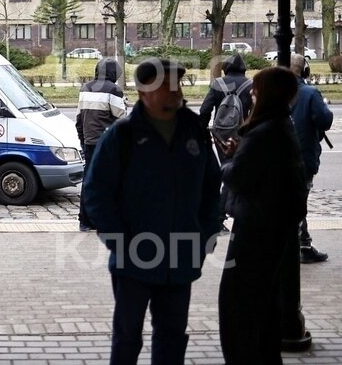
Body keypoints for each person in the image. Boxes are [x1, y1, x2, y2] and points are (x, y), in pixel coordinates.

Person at [82, 57, 221, 365]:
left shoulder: (195, 131)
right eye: (168, 84)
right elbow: (96, 191)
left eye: (178, 83)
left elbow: (213, 185)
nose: (176, 90)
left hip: (181, 255)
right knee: (128, 336)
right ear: (145, 92)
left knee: (172, 336)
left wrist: (206, 233)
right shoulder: (123, 136)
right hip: (133, 259)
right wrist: (119, 240)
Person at [217, 66, 309, 364]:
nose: (252, 94)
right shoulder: (281, 125)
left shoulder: (264, 133)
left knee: (236, 302)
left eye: (256, 89)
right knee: (264, 303)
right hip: (272, 227)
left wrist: (226, 163)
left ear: (265, 93)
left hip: (255, 228)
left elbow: (238, 177)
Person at [198, 53, 253, 230]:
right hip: (241, 134)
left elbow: (205, 110)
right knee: (234, 173)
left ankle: (225, 214)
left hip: (220, 135)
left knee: (229, 170)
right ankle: (221, 216)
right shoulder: (250, 85)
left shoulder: (217, 84)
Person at [289, 53, 333, 264]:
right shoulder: (309, 93)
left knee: (292, 201)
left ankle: (303, 243)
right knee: (298, 201)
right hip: (303, 157)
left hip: (275, 158)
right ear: (305, 70)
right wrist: (323, 105)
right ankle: (301, 245)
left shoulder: (273, 91)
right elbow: (324, 121)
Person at [75, 57, 126, 231]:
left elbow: (79, 119)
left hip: (90, 143)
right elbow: (122, 119)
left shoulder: (85, 88)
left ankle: (85, 221)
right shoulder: (114, 90)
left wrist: (83, 140)